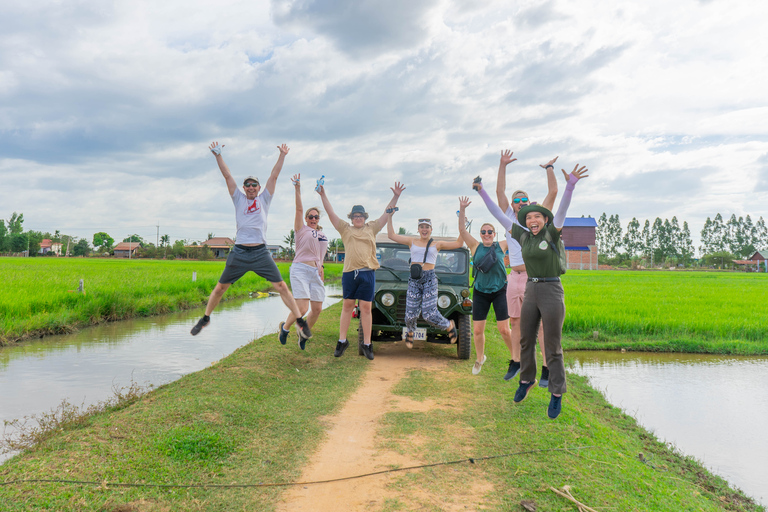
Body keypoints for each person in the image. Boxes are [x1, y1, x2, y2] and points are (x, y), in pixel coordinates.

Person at [190, 142, 311, 342]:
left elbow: (274, 176)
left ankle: (299, 320)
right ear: (244, 188)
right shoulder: (238, 198)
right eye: (248, 184)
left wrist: (282, 155)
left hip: (260, 253)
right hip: (239, 252)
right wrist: (218, 156)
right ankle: (205, 318)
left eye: (254, 184)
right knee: (220, 288)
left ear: (259, 187)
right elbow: (228, 176)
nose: (251, 187)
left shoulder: (265, 199)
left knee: (281, 286)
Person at [509, 164, 589, 419]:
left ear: (545, 220)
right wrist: (481, 193)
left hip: (552, 289)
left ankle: (556, 394)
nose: (532, 220)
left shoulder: (553, 233)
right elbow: (499, 214)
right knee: (525, 339)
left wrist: (570, 186)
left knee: (552, 346)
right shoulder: (524, 236)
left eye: (537, 217)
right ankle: (526, 380)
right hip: (531, 288)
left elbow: (561, 208)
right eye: (529, 217)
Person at [477, 151, 558, 385]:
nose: (521, 204)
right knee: (515, 322)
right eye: (517, 201)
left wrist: (549, 169)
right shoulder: (508, 217)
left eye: (525, 201)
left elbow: (553, 193)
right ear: (512, 206)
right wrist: (502, 165)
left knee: (540, 325)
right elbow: (499, 192)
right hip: (514, 276)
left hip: (535, 277)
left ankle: (545, 367)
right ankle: (516, 361)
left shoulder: (537, 219)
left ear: (529, 203)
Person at [317, 182, 405, 360]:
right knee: (347, 306)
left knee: (366, 308)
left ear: (364, 217)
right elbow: (331, 213)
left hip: (367, 273)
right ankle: (342, 341)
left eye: (360, 216)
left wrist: (396, 196)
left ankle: (367, 344)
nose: (358, 218)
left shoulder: (371, 227)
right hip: (350, 273)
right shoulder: (345, 229)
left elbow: (387, 213)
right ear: (351, 218)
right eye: (355, 216)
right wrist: (322, 194)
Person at [386, 213, 464, 348]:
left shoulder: (436, 244)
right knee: (410, 314)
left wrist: (462, 222)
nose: (424, 229)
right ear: (418, 229)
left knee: (429, 314)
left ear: (431, 229)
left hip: (429, 279)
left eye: (427, 227)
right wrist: (389, 216)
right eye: (421, 227)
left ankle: (448, 325)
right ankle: (410, 331)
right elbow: (391, 235)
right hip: (414, 280)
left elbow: (459, 243)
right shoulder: (411, 242)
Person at [457, 197, 514, 375]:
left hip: (500, 292)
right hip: (481, 292)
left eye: (490, 231)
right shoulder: (475, 246)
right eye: (484, 232)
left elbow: (512, 229)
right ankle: (480, 358)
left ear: (494, 234)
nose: (487, 234)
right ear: (480, 234)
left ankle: (516, 358)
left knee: (504, 329)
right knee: (477, 330)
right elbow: (461, 230)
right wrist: (462, 209)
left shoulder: (501, 246)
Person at [278, 174, 329, 350]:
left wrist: (321, 266)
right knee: (302, 307)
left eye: (316, 217)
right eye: (310, 216)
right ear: (306, 218)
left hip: (315, 272)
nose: (313, 219)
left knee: (317, 309)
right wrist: (297, 188)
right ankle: (285, 328)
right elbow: (298, 210)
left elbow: (321, 253)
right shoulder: (301, 230)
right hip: (300, 269)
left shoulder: (322, 235)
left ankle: (302, 334)